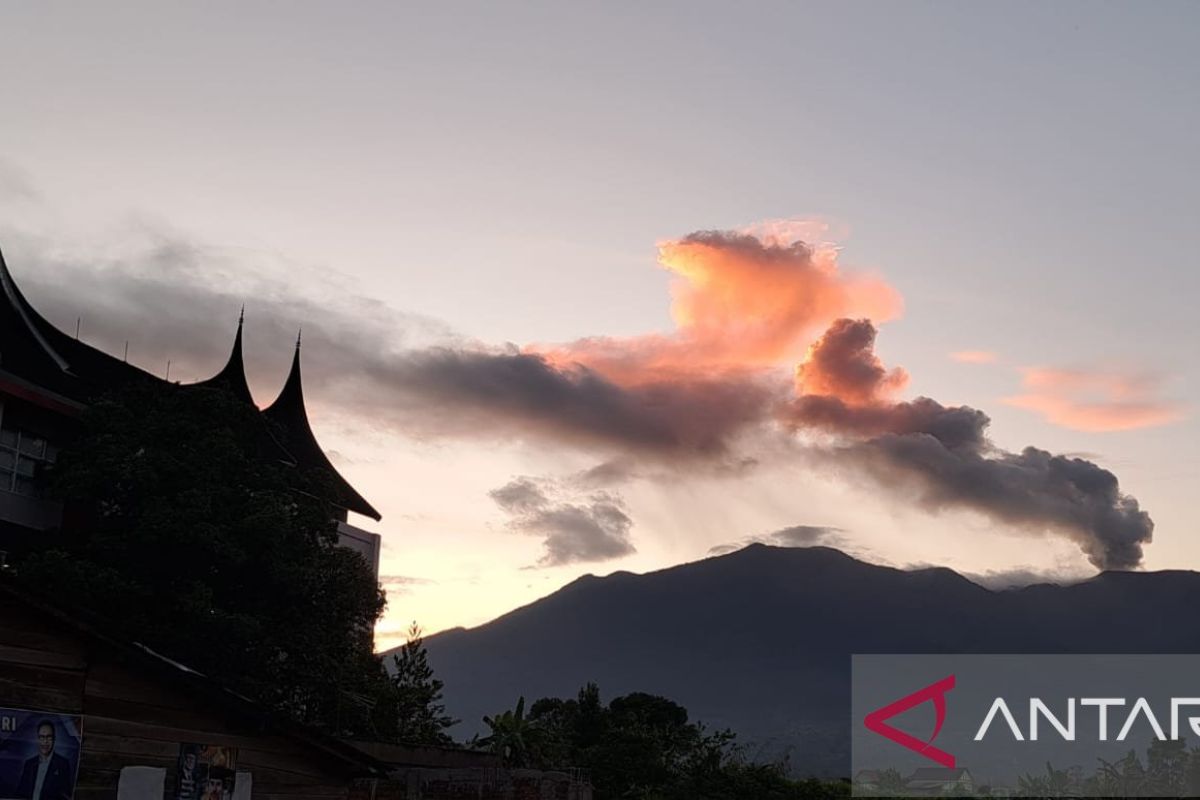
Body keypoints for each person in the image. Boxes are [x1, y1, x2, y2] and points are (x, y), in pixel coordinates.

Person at [16, 720, 73, 800]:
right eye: (42, 737)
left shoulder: (62, 764)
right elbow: (20, 793)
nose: (45, 741)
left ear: (54, 739)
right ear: (38, 739)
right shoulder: (29, 764)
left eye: (49, 737)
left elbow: (65, 796)